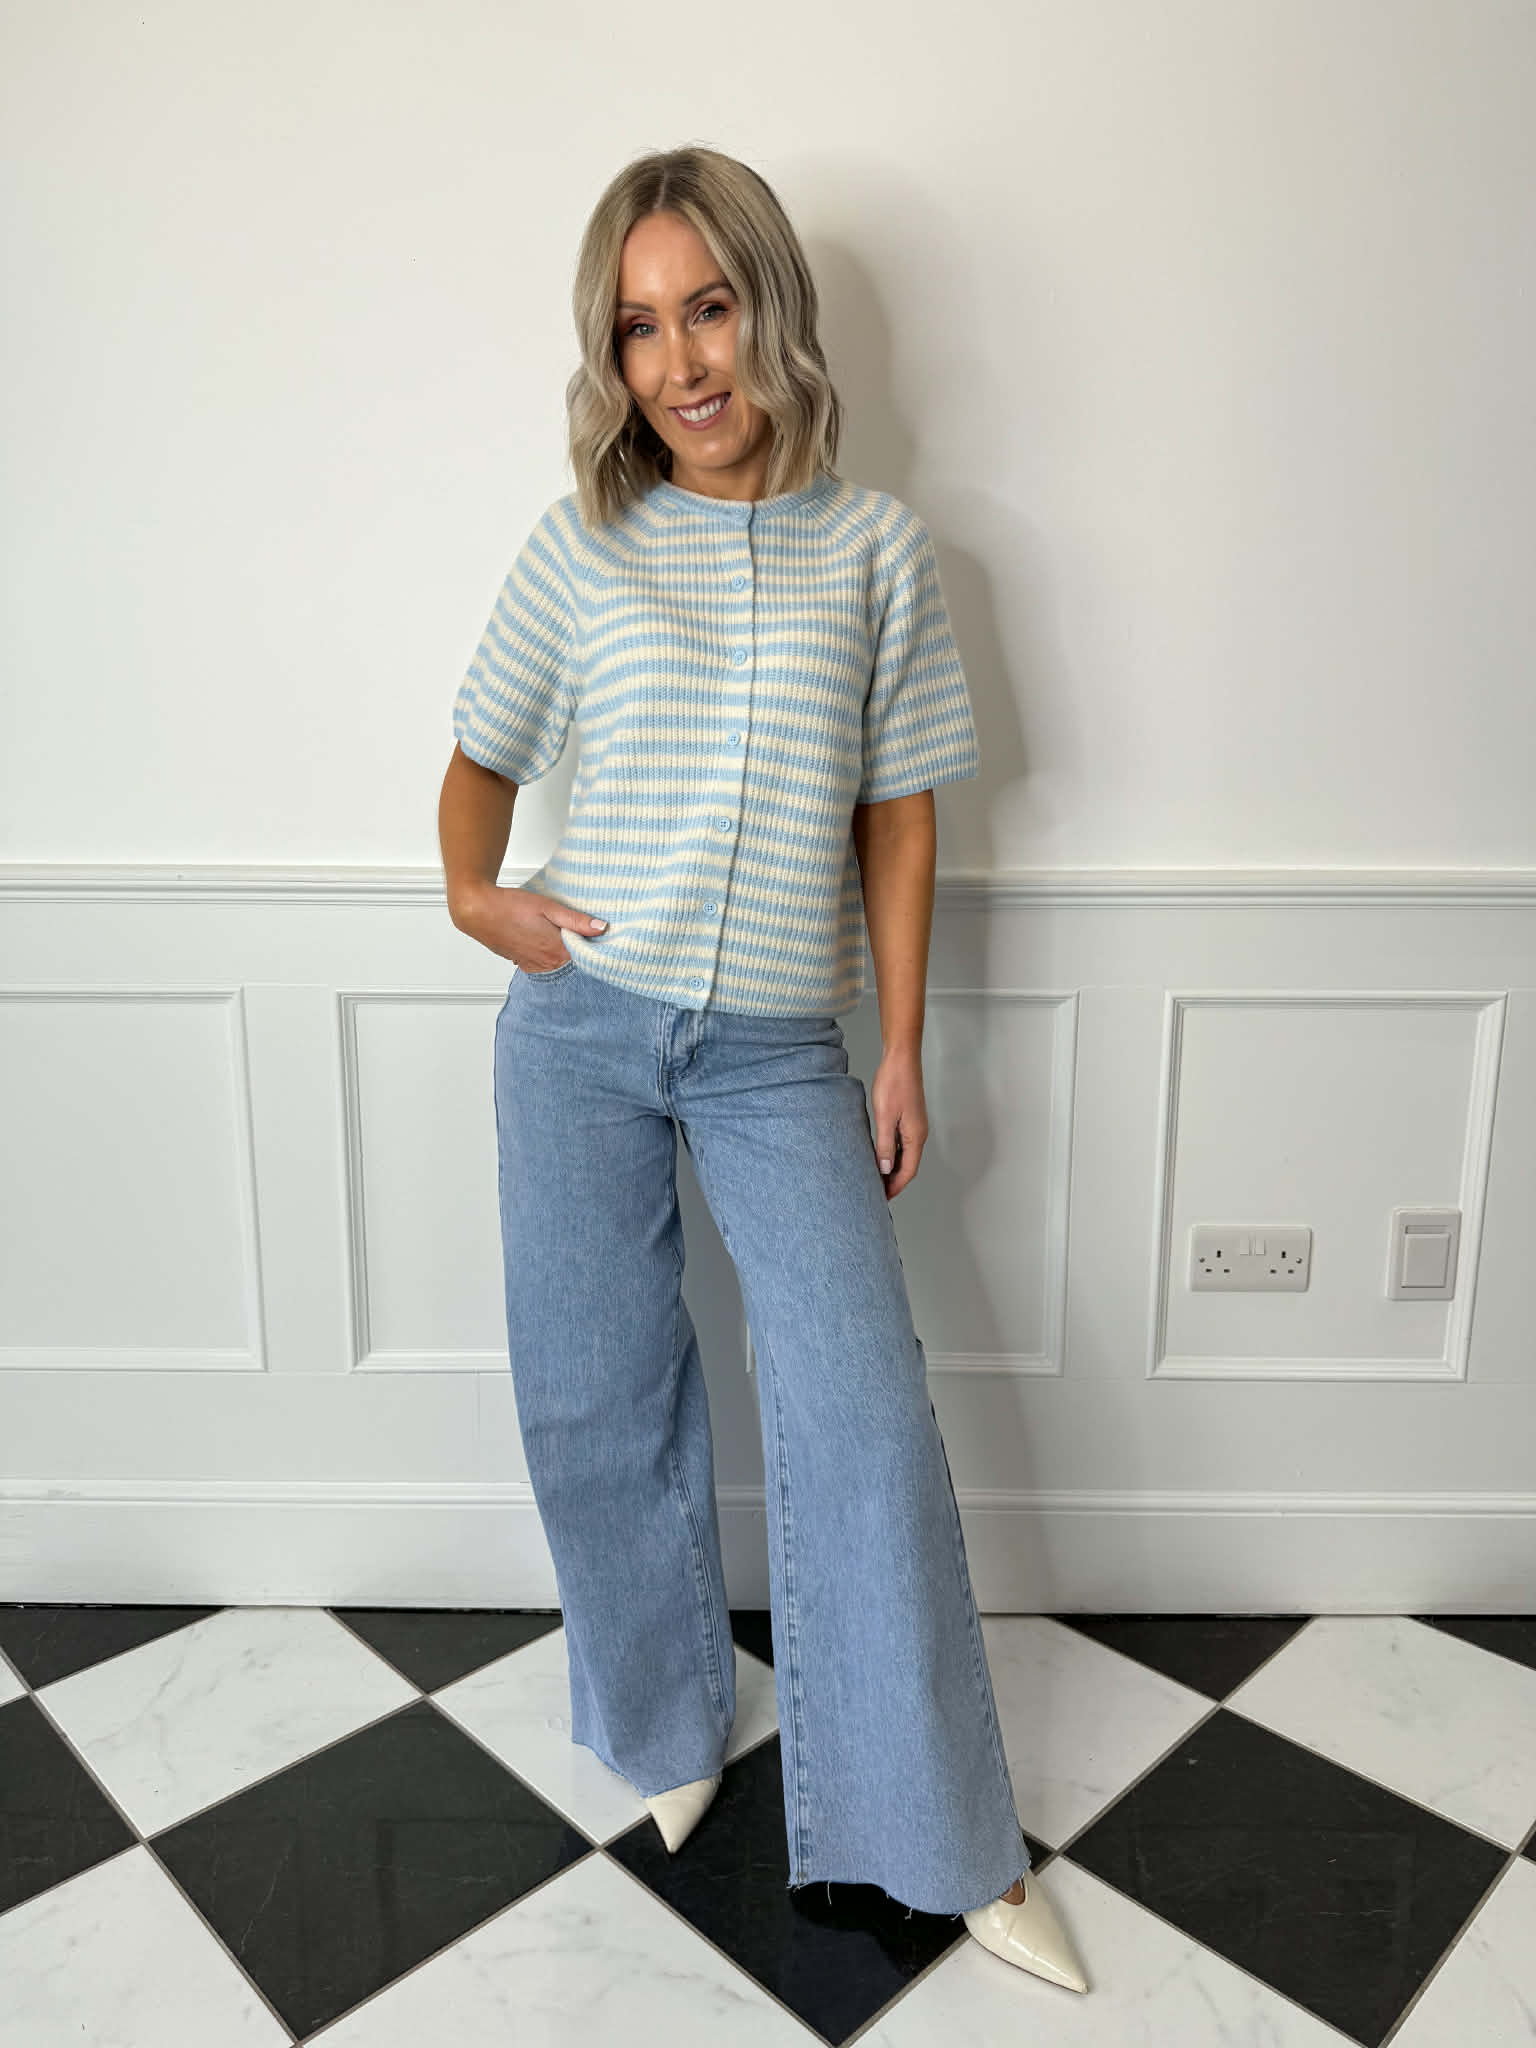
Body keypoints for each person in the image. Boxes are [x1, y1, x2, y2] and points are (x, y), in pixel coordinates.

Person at [437, 144, 1089, 1998]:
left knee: (861, 1413)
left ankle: (947, 1834)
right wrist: (481, 902)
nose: (680, 363)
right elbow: (477, 758)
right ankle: (663, 1725)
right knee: (595, 1394)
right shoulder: (582, 542)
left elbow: (902, 814)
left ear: (769, 310)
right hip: (580, 1029)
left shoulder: (878, 550)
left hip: (778, 1050)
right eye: (639, 329)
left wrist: (900, 1045)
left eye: (707, 310)